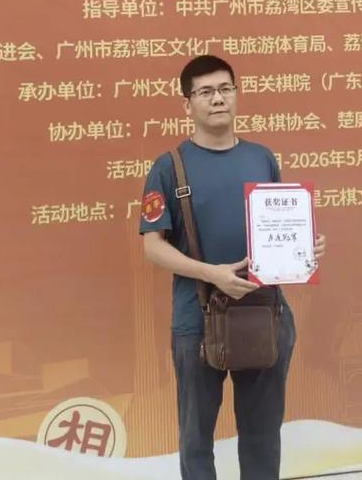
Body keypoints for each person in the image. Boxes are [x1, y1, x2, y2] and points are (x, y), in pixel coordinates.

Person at [139, 54, 326, 480]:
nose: (218, 99)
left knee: (262, 437)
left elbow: (278, 228)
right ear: (187, 104)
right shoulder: (169, 167)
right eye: (205, 92)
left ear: (236, 95)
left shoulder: (262, 158)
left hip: (264, 313)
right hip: (197, 320)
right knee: (196, 440)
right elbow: (153, 247)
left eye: (225, 89)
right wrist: (213, 274)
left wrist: (305, 248)